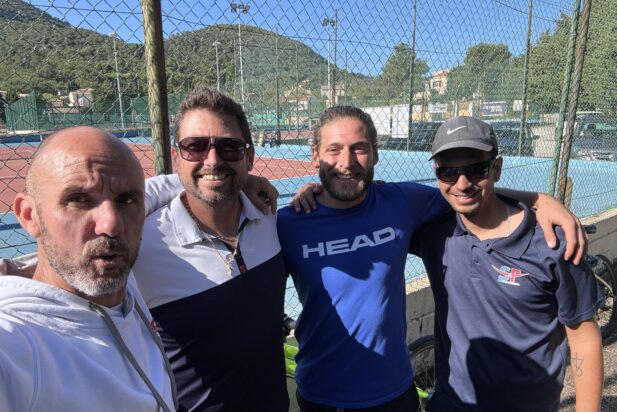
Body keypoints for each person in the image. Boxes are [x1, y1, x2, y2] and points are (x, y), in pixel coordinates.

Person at [280, 106, 587, 411]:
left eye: (359, 149)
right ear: (315, 156)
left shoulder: (403, 202)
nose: (346, 162)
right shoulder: (288, 223)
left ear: (375, 154)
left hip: (394, 395)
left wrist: (538, 199)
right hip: (321, 395)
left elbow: (465, 190)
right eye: (333, 150)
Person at [409, 116, 603, 411]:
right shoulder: (433, 231)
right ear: (436, 173)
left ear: (496, 168)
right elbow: (368, 197)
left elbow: (584, 337)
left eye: (476, 169)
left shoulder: (553, 242)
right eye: (449, 172)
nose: (462, 183)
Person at [132, 87, 289, 411]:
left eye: (229, 147)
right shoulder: (141, 246)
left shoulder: (272, 219)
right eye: (195, 147)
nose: (213, 159)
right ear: (176, 157)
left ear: (249, 157)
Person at [0, 127, 177, 412]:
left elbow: (160, 188)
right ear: (30, 216)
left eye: (127, 200)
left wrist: (234, 178)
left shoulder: (118, 276)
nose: (112, 224)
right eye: (79, 200)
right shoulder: (17, 344)